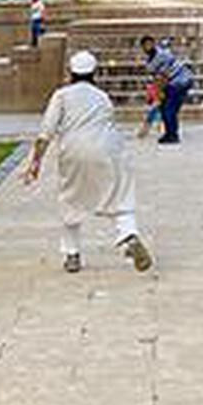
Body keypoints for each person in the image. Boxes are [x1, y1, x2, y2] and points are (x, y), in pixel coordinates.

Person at [25, 49, 152, 274]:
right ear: (94, 73)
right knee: (121, 195)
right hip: (108, 148)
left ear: (70, 73)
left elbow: (46, 132)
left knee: (71, 200)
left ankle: (72, 254)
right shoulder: (101, 96)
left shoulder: (61, 95)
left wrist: (35, 162)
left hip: (74, 149)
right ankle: (128, 235)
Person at [139, 34, 194, 144]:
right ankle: (170, 133)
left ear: (153, 44)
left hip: (180, 82)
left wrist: (159, 93)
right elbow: (157, 78)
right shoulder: (151, 61)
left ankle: (172, 135)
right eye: (145, 45)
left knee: (169, 109)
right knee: (165, 108)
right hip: (173, 83)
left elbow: (163, 76)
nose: (148, 47)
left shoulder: (162, 55)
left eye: (150, 44)